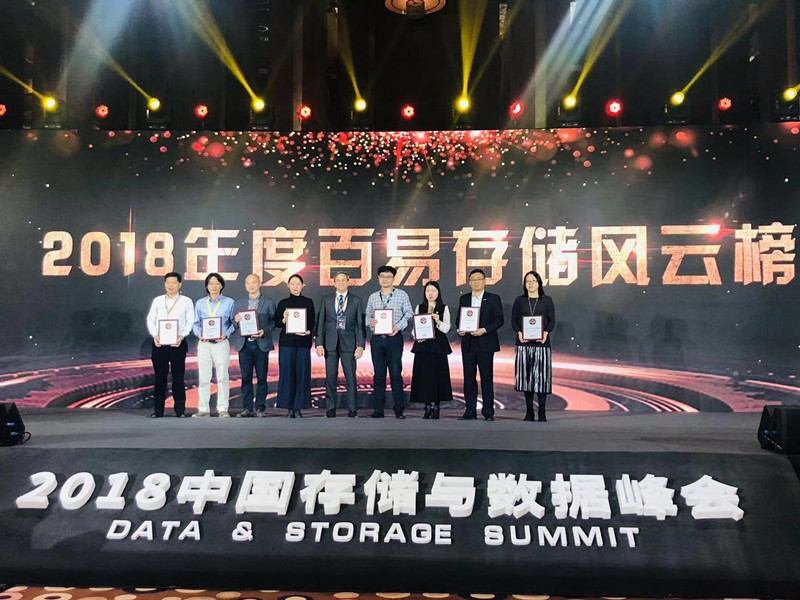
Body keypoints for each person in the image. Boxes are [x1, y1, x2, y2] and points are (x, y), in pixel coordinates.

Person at [364, 265, 414, 419]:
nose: (385, 279)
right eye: (382, 276)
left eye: (388, 277)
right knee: (378, 375)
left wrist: (398, 327)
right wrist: (370, 321)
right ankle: (378, 410)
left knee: (395, 374)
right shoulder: (373, 297)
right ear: (378, 278)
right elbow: (367, 316)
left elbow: (409, 313)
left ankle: (399, 410)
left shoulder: (402, 295)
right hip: (377, 339)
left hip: (394, 338)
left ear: (393, 278)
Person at [315, 271, 366, 418]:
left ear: (348, 281)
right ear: (334, 283)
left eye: (344, 280)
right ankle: (330, 408)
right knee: (330, 377)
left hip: (349, 344)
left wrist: (360, 345)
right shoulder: (326, 300)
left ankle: (353, 409)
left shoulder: (356, 301)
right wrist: (319, 343)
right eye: (338, 280)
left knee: (350, 377)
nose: (341, 282)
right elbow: (321, 323)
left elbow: (360, 325)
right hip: (330, 344)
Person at [457, 268, 505, 421]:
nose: (476, 282)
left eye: (479, 279)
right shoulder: (464, 299)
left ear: (484, 281)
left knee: (486, 378)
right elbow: (459, 319)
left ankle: (488, 412)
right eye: (473, 279)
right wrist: (460, 329)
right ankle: (470, 410)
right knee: (468, 379)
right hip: (468, 343)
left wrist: (484, 330)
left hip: (486, 343)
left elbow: (499, 320)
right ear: (469, 282)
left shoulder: (493, 298)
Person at [145, 271, 195, 418]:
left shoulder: (186, 301)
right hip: (159, 345)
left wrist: (182, 335)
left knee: (178, 378)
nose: (171, 285)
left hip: (178, 344)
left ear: (180, 284)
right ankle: (158, 410)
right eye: (168, 283)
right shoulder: (158, 301)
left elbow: (190, 320)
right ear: (165, 284)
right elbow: (150, 319)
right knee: (160, 378)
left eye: (174, 283)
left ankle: (180, 410)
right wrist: (155, 335)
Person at [511, 271, 555, 422]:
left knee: (542, 379)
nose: (530, 284)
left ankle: (542, 412)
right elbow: (514, 320)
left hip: (542, 344)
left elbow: (552, 320)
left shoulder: (546, 300)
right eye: (527, 281)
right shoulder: (519, 300)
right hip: (523, 344)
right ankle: (529, 412)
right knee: (526, 378)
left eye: (533, 281)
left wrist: (546, 333)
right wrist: (519, 333)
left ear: (539, 283)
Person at [231, 273, 276, 418]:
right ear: (245, 285)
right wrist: (236, 320)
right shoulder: (239, 303)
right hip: (244, 345)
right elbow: (233, 324)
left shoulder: (268, 302)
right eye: (248, 283)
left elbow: (274, 323)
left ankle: (260, 408)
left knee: (262, 378)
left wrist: (264, 331)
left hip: (261, 344)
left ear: (260, 283)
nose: (251, 285)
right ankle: (247, 408)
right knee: (246, 378)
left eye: (254, 282)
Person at [192, 272, 236, 418]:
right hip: (204, 344)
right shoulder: (200, 303)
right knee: (204, 377)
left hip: (221, 343)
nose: (214, 286)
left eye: (217, 283)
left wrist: (226, 334)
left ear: (222, 285)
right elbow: (196, 323)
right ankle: (203, 409)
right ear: (207, 286)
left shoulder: (229, 302)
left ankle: (223, 409)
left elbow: (234, 323)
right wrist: (199, 333)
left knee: (222, 377)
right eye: (211, 283)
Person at [410, 280, 453, 419]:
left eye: (433, 291)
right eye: (428, 291)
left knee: (438, 375)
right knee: (424, 376)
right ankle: (427, 406)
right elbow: (414, 328)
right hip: (423, 346)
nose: (430, 293)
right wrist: (417, 336)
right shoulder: (420, 307)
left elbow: (447, 328)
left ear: (438, 293)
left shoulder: (444, 308)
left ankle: (436, 406)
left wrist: (438, 321)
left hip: (438, 346)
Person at [275, 274, 315, 418]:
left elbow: (312, 322)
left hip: (303, 344)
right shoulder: (283, 303)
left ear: (303, 285)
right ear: (288, 285)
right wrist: (284, 319)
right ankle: (289, 408)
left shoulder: (308, 302)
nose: (295, 286)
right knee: (287, 375)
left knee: (302, 375)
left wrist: (308, 331)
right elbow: (277, 323)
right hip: (287, 344)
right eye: (292, 284)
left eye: (298, 284)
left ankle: (298, 408)